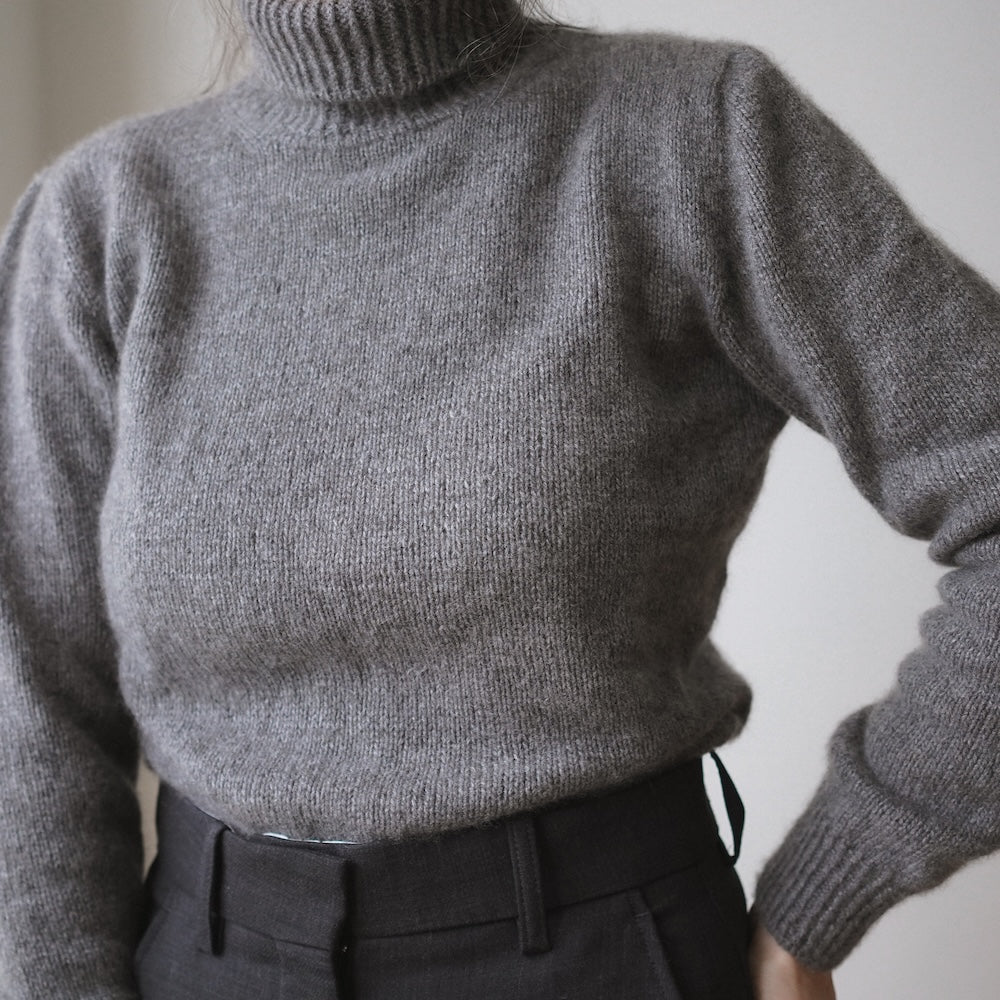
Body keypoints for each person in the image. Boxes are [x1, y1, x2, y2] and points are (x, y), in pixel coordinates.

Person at [1, 0, 999, 997]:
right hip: (210, 960)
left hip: (602, 954)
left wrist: (828, 886)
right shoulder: (103, 216)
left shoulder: (692, 134)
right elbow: (31, 694)